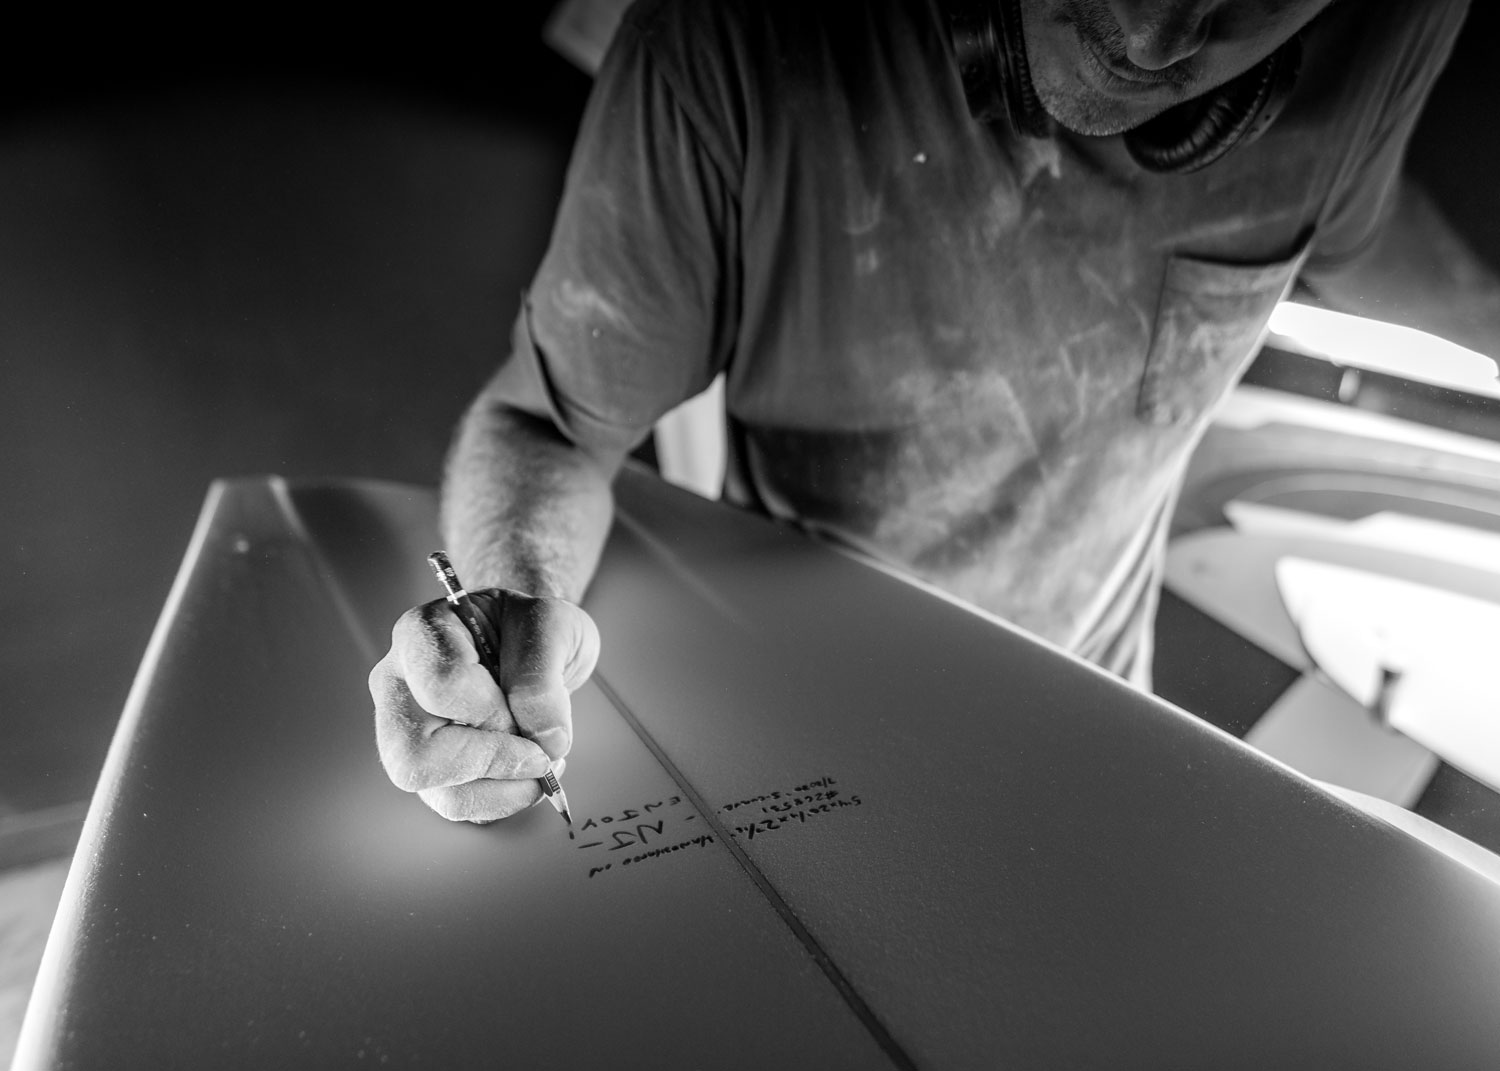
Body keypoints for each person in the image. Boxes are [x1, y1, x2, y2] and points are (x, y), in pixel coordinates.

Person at [369, 0, 1497, 823]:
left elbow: (1351, 211)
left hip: (1104, 725)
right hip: (795, 738)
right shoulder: (730, 45)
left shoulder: (1388, 32)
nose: (1156, 40)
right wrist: (512, 609)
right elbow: (553, 423)